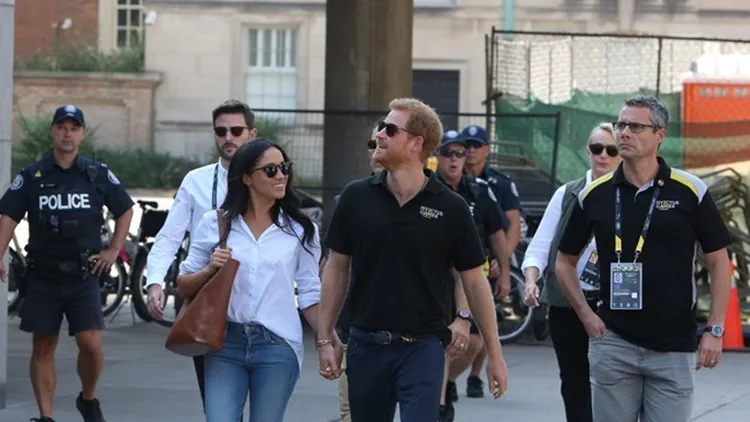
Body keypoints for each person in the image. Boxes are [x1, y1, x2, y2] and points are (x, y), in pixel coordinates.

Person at [317, 98, 509, 422]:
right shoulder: (355, 197)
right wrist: (325, 337)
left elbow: (474, 281)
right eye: (381, 127)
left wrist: (495, 353)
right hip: (365, 346)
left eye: (390, 129)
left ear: (416, 144)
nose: (380, 134)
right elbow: (336, 268)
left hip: (423, 349)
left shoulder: (452, 208)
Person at [556, 95, 733, 422]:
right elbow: (564, 261)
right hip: (613, 343)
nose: (624, 133)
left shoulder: (689, 191)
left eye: (635, 126)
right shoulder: (595, 194)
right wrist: (585, 315)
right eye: (620, 125)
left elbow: (720, 262)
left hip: (673, 349)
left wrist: (715, 330)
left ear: (659, 135)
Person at [0, 105, 134, 422]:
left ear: (82, 134)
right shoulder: (32, 175)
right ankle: (46, 417)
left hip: (84, 273)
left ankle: (87, 399)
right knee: (43, 345)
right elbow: (8, 215)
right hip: (43, 274)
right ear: (52, 131)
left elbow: (124, 209)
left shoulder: (96, 173)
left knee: (90, 343)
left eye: (74, 127)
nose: (67, 133)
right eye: (62, 126)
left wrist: (114, 250)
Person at [177, 139, 322, 422]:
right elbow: (183, 285)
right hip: (224, 343)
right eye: (270, 170)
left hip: (278, 344)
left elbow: (309, 293)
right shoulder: (214, 223)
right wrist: (210, 269)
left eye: (285, 168)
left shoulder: (301, 231)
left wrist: (327, 340)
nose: (281, 175)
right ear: (246, 178)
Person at [145, 99, 257, 415]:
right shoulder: (196, 181)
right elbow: (170, 236)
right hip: (210, 306)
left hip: (258, 307)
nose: (228, 138)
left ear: (251, 132)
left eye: (236, 130)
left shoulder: (269, 179)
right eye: (221, 131)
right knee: (217, 407)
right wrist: (155, 281)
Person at [521, 122, 621, 422]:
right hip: (568, 303)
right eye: (596, 148)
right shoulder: (568, 193)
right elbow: (540, 245)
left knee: (615, 380)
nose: (603, 155)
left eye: (611, 150)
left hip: (615, 304)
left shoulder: (629, 195)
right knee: (574, 379)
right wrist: (531, 280)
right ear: (587, 152)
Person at [434, 129, 513, 422]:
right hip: (439, 280)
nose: (455, 159)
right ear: (436, 156)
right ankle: (440, 403)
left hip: (473, 277)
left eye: (459, 153)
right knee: (442, 342)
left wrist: (504, 274)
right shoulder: (427, 188)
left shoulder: (479, 190)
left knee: (475, 342)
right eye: (447, 153)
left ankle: (446, 381)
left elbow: (497, 235)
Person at [458, 123, 522, 398]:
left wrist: (501, 260)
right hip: (457, 263)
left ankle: (474, 374)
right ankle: (446, 379)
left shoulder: (500, 182)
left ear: (486, 149)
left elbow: (511, 225)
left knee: (485, 321)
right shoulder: (446, 179)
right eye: (466, 146)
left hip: (491, 259)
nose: (470, 151)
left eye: (476, 145)